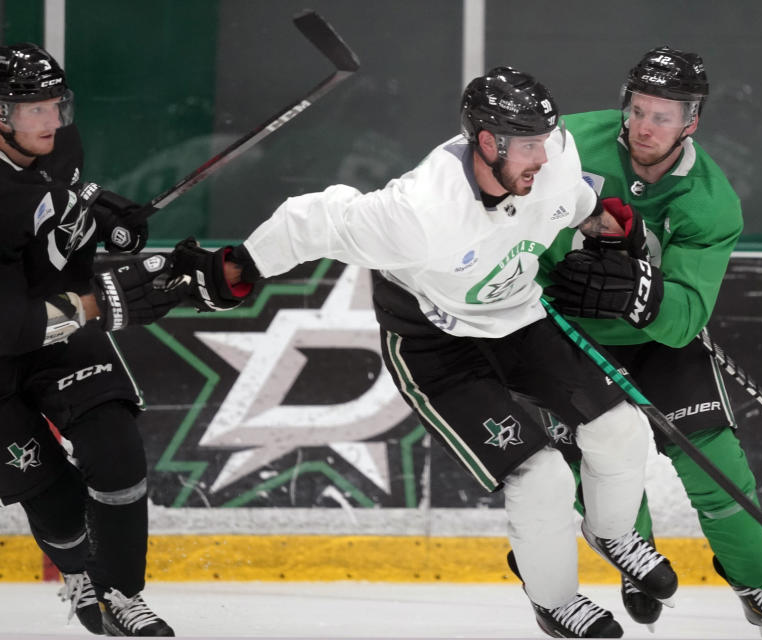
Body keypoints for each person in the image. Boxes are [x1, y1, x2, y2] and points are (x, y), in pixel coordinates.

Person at [170, 66, 678, 638]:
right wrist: (240, 266)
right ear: (488, 142)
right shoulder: (417, 214)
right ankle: (555, 600)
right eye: (528, 145)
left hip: (516, 318)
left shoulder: (552, 158)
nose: (543, 154)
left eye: (545, 139)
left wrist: (608, 226)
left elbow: (572, 198)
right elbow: (314, 219)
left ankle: (610, 532)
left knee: (623, 430)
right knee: (543, 478)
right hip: (434, 345)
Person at [538, 47, 762, 639]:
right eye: (638, 110)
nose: (645, 126)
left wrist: (635, 292)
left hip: (658, 344)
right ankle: (633, 556)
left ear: (691, 121)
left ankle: (756, 585)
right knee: (599, 464)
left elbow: (681, 320)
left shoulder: (711, 201)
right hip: (568, 336)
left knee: (718, 467)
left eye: (664, 116)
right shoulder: (565, 144)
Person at [0, 43, 184, 636]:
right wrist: (96, 301)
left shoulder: (57, 140)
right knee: (53, 500)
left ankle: (122, 594)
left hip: (61, 333)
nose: (52, 120)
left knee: (117, 453)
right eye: (34, 110)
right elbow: (8, 324)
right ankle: (78, 567)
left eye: (57, 105)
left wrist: (112, 219)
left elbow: (67, 196)